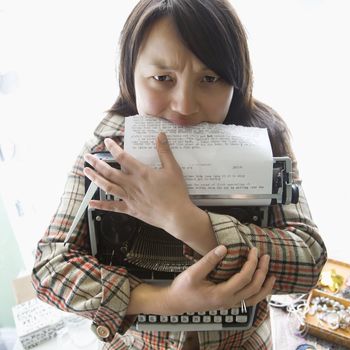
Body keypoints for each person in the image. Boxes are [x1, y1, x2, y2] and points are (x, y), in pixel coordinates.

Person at [32, 0, 327, 349]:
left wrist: (184, 220)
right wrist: (166, 300)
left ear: (236, 77)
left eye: (210, 78)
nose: (185, 105)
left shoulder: (265, 137)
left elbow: (309, 260)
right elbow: (49, 269)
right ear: (131, 74)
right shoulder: (108, 144)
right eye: (162, 78)